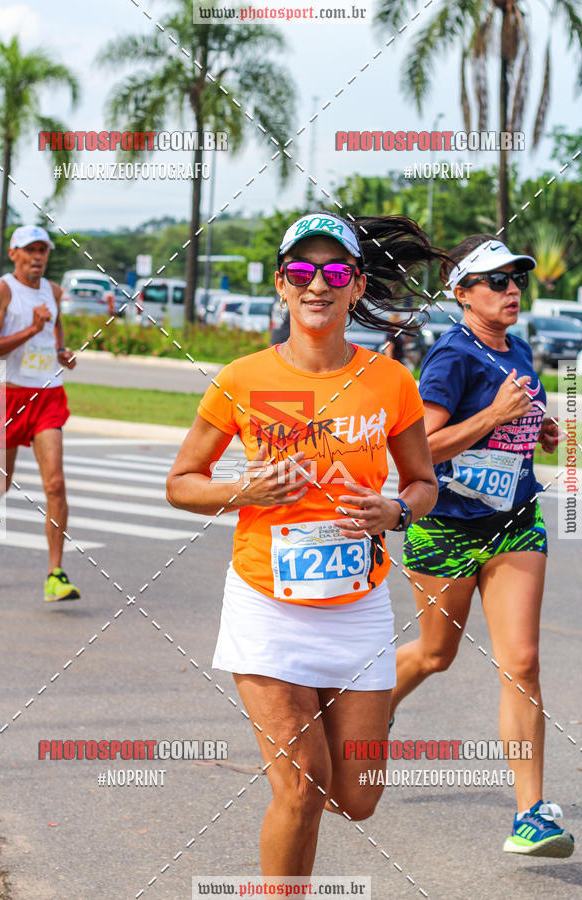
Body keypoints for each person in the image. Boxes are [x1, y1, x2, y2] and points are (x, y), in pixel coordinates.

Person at [167, 211, 442, 877]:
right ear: (282, 286)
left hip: (357, 608)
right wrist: (244, 490)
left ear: (355, 287)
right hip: (268, 605)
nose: (317, 283)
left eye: (334, 271)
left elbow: (423, 483)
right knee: (300, 786)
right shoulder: (240, 379)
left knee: (357, 798)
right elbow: (180, 483)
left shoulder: (391, 381)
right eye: (301, 270)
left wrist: (396, 509)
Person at [395, 234, 574, 857]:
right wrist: (495, 417)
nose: (511, 290)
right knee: (434, 655)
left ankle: (531, 814)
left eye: (515, 280)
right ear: (462, 292)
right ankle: (369, 708)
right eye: (496, 281)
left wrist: (538, 429)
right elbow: (417, 452)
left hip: (514, 522)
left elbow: (517, 430)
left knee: (521, 662)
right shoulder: (449, 358)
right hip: (444, 528)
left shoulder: (520, 348)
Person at [0, 225, 80, 602]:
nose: (38, 257)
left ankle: (56, 574)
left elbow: (54, 339)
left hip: (47, 396)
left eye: (43, 250)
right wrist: (30, 327)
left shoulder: (54, 292)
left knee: (55, 484)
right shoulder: (2, 290)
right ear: (14, 254)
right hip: (5, 394)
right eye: (30, 250)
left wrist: (62, 355)